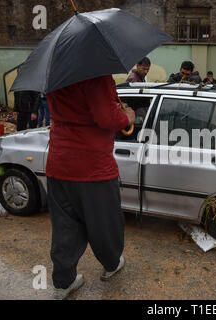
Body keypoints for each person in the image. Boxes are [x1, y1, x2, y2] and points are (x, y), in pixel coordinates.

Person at [46, 75, 136, 299]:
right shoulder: (97, 77)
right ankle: (112, 263)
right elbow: (107, 118)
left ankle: (63, 281)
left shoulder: (53, 76)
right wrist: (127, 116)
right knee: (104, 222)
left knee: (64, 225)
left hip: (59, 163)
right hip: (93, 167)